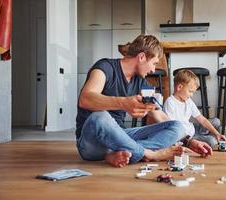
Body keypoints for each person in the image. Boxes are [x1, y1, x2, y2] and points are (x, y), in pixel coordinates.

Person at [76, 35, 204, 168]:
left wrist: (188, 141)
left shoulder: (141, 82)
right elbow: (85, 99)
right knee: (99, 116)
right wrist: (124, 102)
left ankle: (120, 153)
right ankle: (149, 154)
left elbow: (158, 115)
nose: (153, 70)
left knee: (177, 127)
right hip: (91, 142)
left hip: (121, 138)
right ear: (142, 57)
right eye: (154, 63)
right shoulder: (105, 67)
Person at [164, 69, 226, 149]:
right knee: (212, 141)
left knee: (216, 121)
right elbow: (170, 129)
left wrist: (217, 133)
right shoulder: (170, 103)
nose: (192, 95)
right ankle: (204, 139)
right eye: (190, 91)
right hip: (186, 137)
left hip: (192, 128)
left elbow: (202, 119)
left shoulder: (188, 101)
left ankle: (213, 136)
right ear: (179, 87)